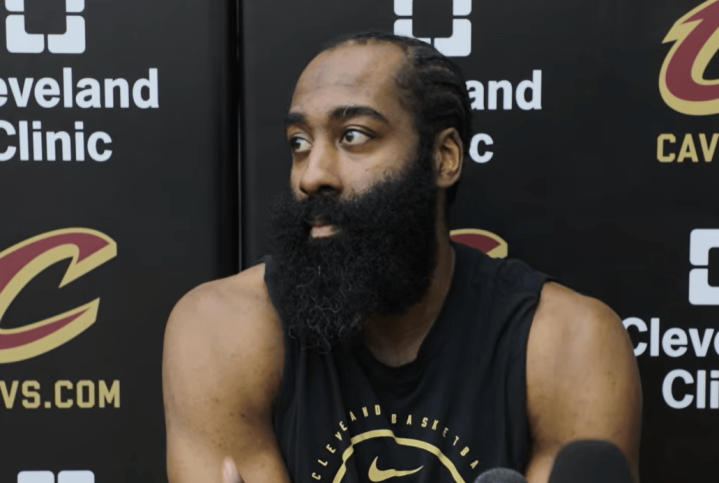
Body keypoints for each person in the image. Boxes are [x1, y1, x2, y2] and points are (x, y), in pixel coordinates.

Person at [162, 32, 642, 483]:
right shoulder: (223, 328)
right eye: (299, 143)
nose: (312, 175)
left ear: (444, 156)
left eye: (353, 136)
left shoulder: (567, 341)